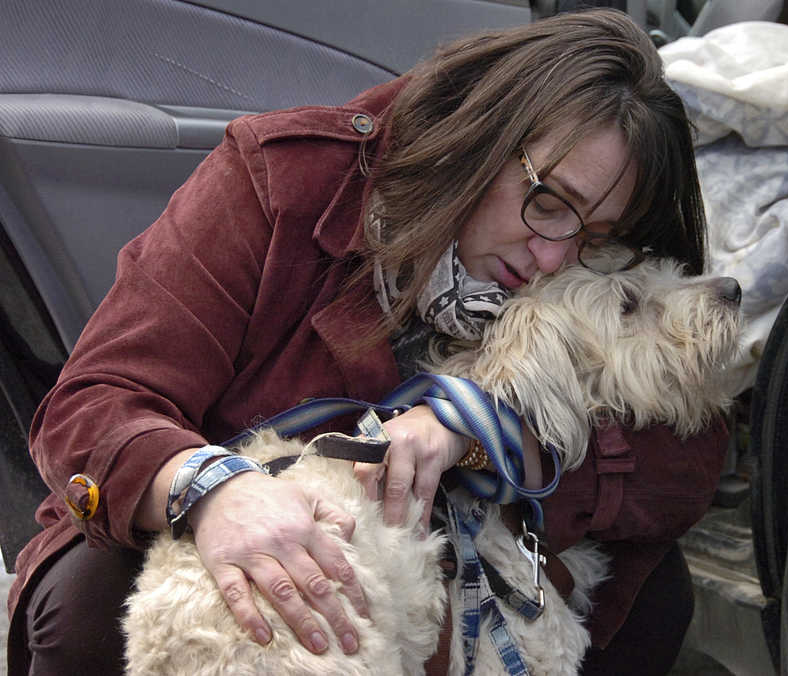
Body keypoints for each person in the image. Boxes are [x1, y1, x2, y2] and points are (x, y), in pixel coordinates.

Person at [6, 8, 728, 675]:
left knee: (651, 594)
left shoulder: (573, 262)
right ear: (485, 135)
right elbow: (93, 406)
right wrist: (214, 492)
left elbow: (690, 446)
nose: (551, 256)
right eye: (548, 202)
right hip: (240, 538)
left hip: (444, 560)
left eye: (596, 239)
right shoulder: (281, 180)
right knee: (92, 608)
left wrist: (486, 433)